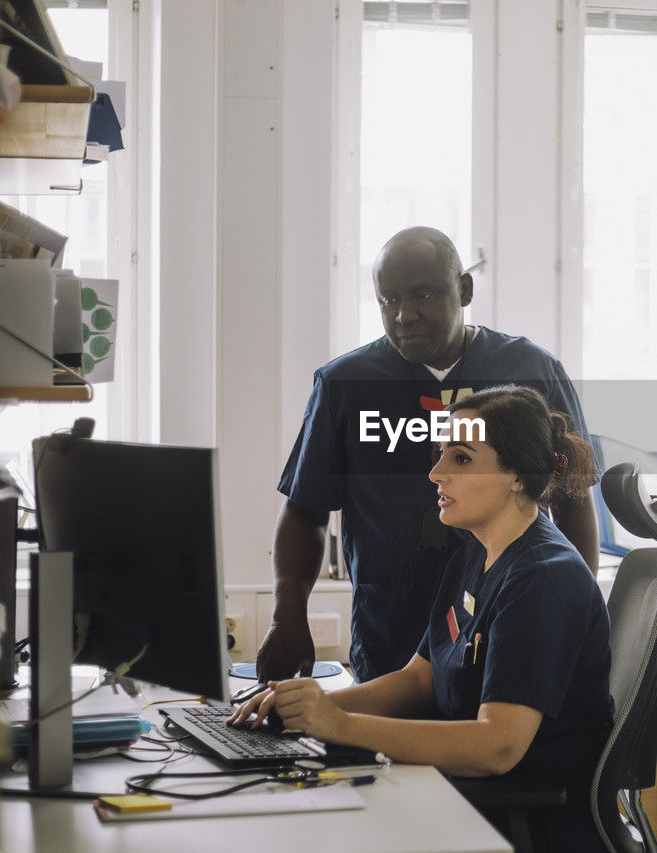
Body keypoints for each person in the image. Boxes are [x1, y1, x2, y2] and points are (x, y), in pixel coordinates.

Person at [232, 386, 613, 851]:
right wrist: (300, 707)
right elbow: (419, 681)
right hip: (464, 796)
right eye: (441, 455)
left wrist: (337, 724)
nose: (436, 474)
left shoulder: (544, 579)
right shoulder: (475, 553)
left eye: (462, 459)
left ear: (516, 474)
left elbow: (499, 746)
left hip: (524, 824)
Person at [259, 226, 599, 684]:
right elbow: (305, 510)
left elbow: (574, 501)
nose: (404, 315)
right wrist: (287, 618)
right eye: (388, 300)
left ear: (464, 289)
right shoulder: (345, 385)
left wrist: (576, 614)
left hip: (508, 638)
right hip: (388, 647)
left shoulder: (531, 373)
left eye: (423, 294)